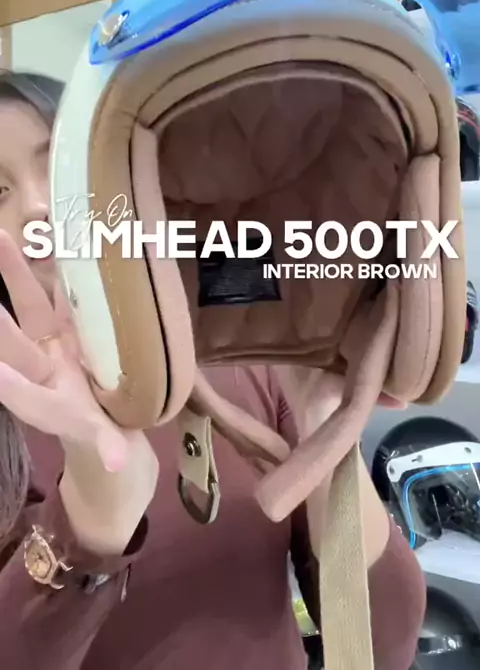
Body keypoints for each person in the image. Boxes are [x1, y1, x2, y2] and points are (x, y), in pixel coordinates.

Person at [0, 70, 426, 669]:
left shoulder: (232, 360)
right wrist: (93, 518)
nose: (37, 207)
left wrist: (327, 430)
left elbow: (382, 645)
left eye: (54, 167)